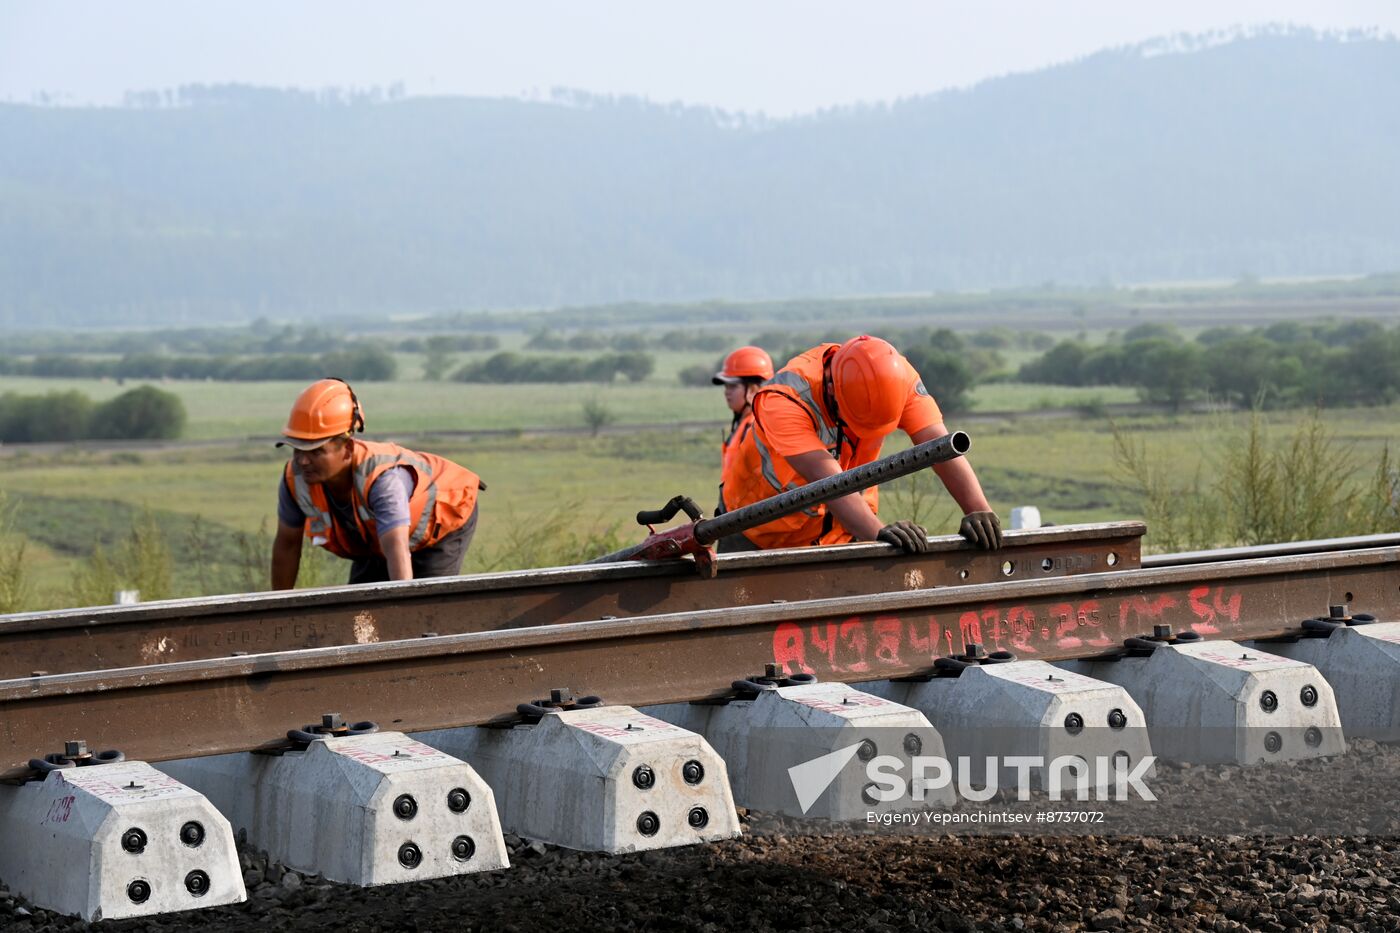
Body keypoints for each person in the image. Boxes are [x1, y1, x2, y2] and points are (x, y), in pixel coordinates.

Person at [727, 335, 1002, 553]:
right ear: (833, 390)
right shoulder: (785, 400)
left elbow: (940, 449)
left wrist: (978, 509)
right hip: (759, 531)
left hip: (844, 532)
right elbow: (828, 485)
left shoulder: (895, 379)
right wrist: (878, 533)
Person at [270, 378, 483, 588]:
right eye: (298, 450)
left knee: (427, 609)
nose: (303, 461)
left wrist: (405, 606)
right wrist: (277, 611)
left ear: (347, 450)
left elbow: (395, 547)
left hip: (442, 522)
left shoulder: (382, 480)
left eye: (316, 451)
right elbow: (287, 545)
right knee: (360, 614)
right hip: (377, 541)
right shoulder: (295, 479)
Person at [712, 346, 774, 553]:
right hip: (733, 519)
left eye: (733, 386)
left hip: (749, 525)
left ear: (754, 388)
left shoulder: (759, 427)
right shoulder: (742, 423)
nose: (726, 392)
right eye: (726, 386)